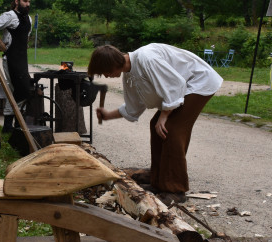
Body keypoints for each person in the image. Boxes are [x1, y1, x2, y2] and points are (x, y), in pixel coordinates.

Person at [88, 43, 222, 205]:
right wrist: (109, 115)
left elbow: (175, 85)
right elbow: (133, 107)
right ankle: (158, 181)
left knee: (172, 129)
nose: (106, 76)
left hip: (199, 81)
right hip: (184, 87)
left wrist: (164, 115)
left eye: (105, 72)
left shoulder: (147, 58)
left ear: (111, 65)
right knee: (155, 125)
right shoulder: (130, 74)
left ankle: (175, 190)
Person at [0, 0, 33, 133]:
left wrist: (24, 45)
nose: (27, 4)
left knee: (23, 89)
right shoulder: (10, 16)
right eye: (24, 1)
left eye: (29, 2)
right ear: (16, 1)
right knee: (16, 90)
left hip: (22, 58)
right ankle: (9, 125)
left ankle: (16, 124)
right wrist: (0, 43)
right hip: (10, 58)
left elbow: (26, 36)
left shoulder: (29, 19)